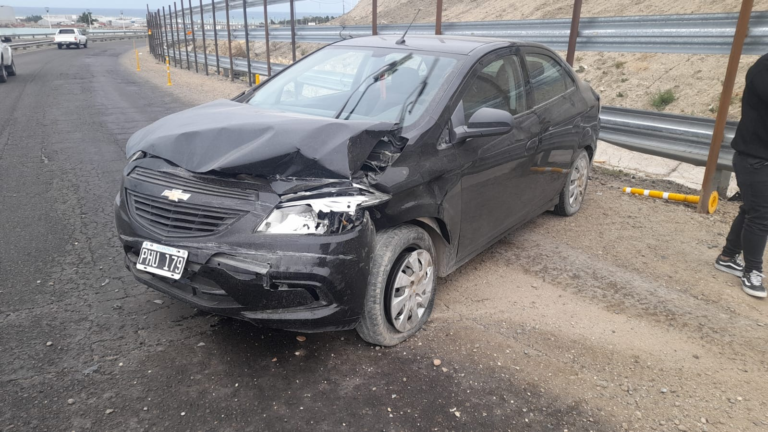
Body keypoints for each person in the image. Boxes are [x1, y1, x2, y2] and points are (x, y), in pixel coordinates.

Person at [715, 53, 768, 298]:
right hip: (754, 158)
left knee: (751, 209)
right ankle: (752, 271)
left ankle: (727, 256)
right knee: (761, 215)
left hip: (757, 157)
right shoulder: (763, 69)